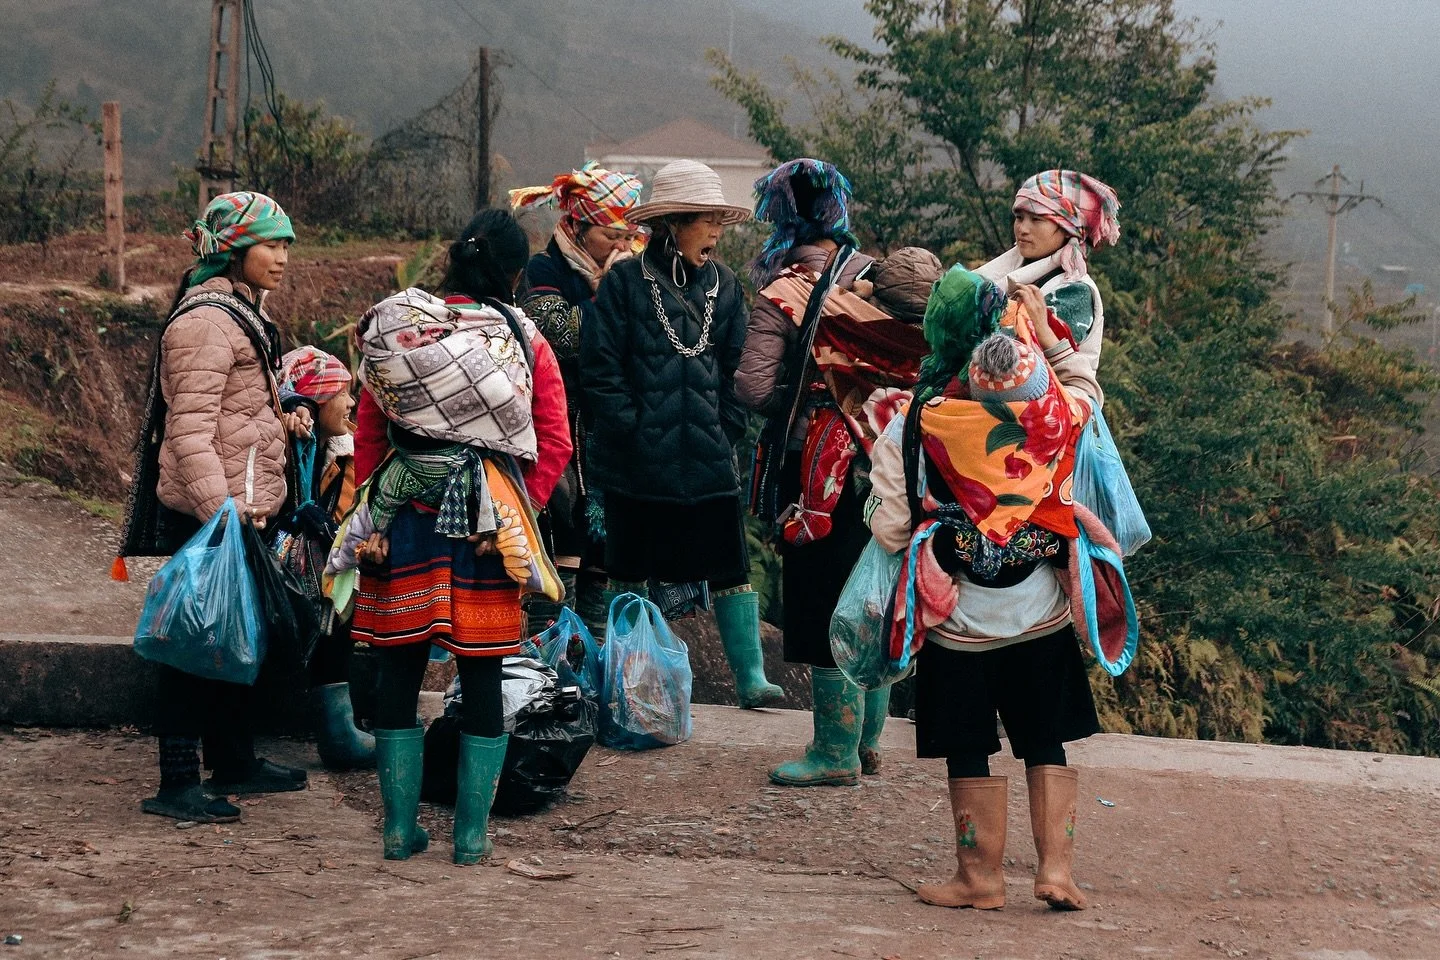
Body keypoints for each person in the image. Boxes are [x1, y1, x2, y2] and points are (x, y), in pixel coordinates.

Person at [864, 165, 1121, 911]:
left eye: (1035, 219)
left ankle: (979, 880)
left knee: (968, 743)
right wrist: (1054, 348)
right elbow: (1084, 392)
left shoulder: (920, 418)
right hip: (1037, 600)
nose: (1021, 228)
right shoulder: (1054, 415)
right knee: (1046, 736)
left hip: (960, 614)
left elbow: (890, 519)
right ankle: (1058, 873)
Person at [346, 209, 570, 864]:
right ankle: (471, 837)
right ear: (516, 272)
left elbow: (369, 430)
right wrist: (512, 515)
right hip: (483, 527)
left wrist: (374, 520)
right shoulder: (527, 338)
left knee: (398, 664)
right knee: (482, 674)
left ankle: (398, 830)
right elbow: (552, 439)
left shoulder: (401, 330)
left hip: (407, 521)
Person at [118, 191, 312, 823]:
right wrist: (221, 509)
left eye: (285, 244)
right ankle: (177, 782)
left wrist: (285, 421)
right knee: (190, 645)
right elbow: (190, 431)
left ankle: (234, 762)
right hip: (211, 514)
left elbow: (240, 411)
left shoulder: (241, 314)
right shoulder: (204, 322)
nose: (282, 257)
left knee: (233, 636)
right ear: (233, 250)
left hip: (239, 511)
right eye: (270, 244)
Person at [580, 159, 782, 707]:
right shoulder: (623, 284)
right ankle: (629, 681)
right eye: (706, 221)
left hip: (709, 459)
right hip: (638, 464)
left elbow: (739, 367)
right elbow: (601, 369)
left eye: (720, 221)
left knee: (731, 568)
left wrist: (724, 429)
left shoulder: (726, 286)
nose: (717, 232)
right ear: (673, 223)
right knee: (630, 571)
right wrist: (634, 431)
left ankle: (750, 679)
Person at [736, 158, 892, 783]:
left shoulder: (786, 287)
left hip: (817, 466)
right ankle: (869, 741)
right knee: (870, 592)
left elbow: (751, 386)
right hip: (881, 458)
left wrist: (795, 402)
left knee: (822, 595)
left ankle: (833, 751)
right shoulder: (873, 278)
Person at [510, 162, 644, 639]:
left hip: (606, 432)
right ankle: (548, 657)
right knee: (559, 534)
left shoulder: (629, 273)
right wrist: (608, 297)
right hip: (555, 426)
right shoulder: (543, 270)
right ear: (577, 226)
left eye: (629, 237)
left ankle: (595, 659)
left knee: (601, 550)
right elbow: (559, 335)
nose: (623, 248)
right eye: (612, 236)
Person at [274, 346, 374, 770]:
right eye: (342, 392)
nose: (351, 403)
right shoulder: (295, 447)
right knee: (334, 603)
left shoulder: (332, 447)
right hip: (287, 570)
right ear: (315, 397)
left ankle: (343, 722)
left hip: (304, 566)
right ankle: (337, 732)